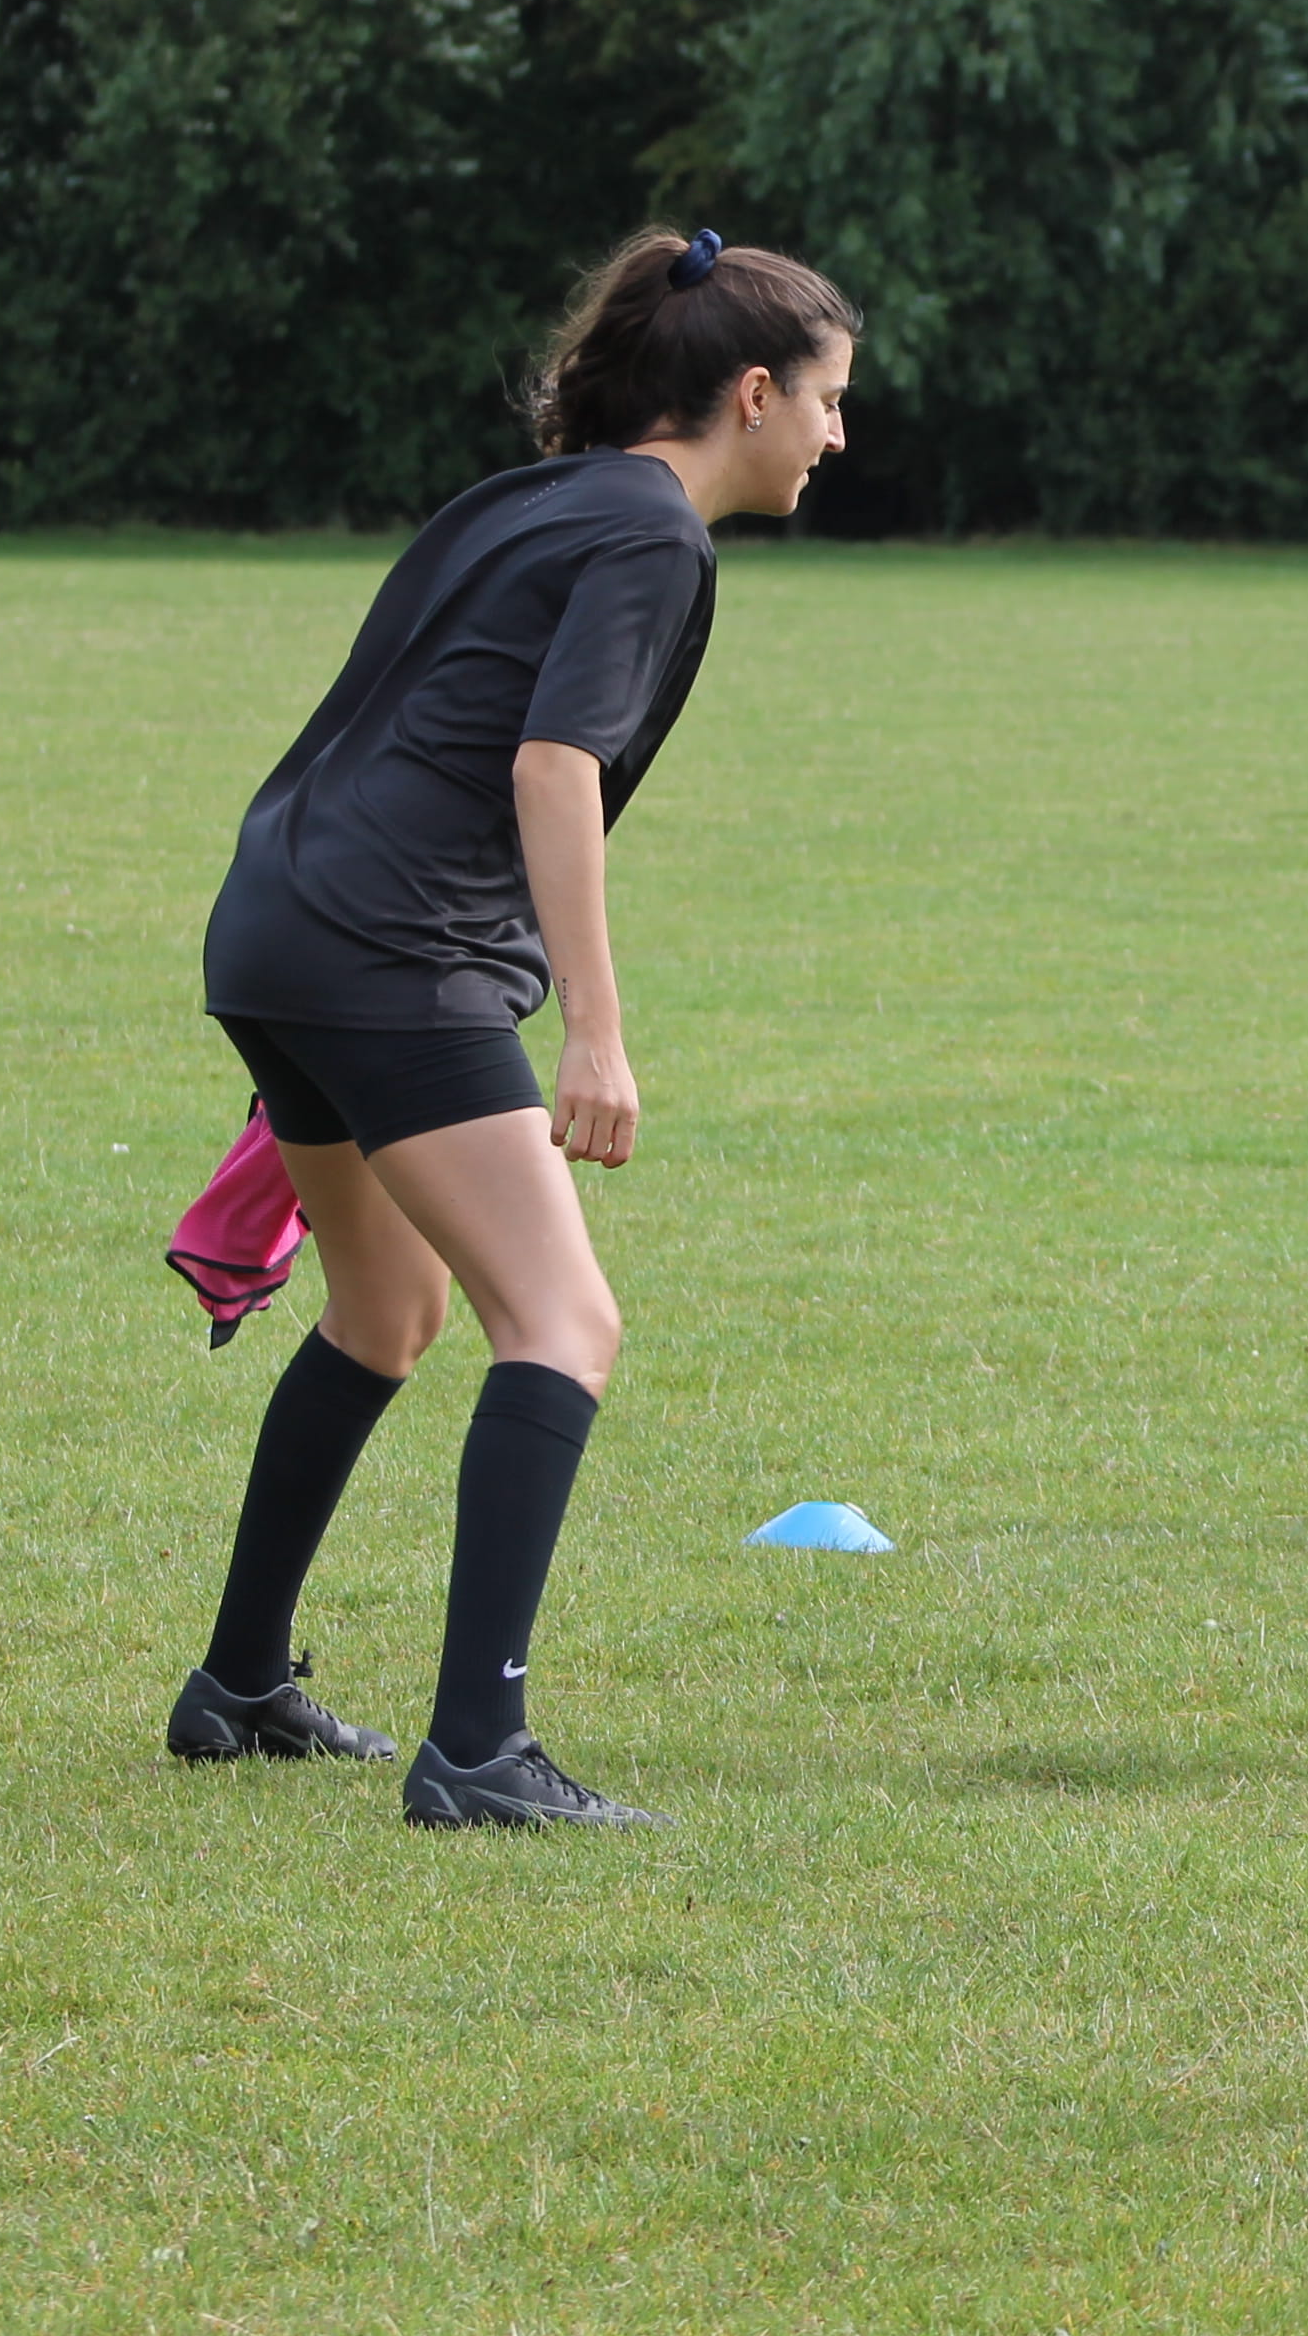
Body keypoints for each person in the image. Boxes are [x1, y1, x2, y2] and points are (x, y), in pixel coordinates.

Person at [166, 227, 855, 1829]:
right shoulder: (651, 538)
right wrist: (595, 1035)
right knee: (563, 1322)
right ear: (752, 394)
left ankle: (239, 1686)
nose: (836, 437)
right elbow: (554, 770)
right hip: (387, 952)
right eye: (826, 401)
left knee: (384, 1310)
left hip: (277, 921)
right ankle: (478, 1753)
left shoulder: (526, 498)